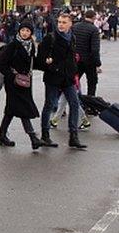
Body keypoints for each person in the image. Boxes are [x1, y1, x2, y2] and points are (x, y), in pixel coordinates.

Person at [36, 13, 86, 150]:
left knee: (74, 104)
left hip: (68, 78)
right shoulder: (50, 38)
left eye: (64, 22)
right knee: (50, 105)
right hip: (53, 77)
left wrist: (74, 71)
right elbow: (40, 59)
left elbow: (72, 57)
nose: (61, 25)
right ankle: (45, 136)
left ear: (70, 24)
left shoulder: (72, 37)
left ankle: (73, 136)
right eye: (59, 22)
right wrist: (50, 65)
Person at [0, 22, 45, 149]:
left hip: (25, 82)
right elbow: (1, 64)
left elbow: (33, 62)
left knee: (11, 110)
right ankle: (33, 138)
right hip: (13, 83)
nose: (25, 33)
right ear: (19, 31)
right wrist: (11, 76)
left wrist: (47, 64)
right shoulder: (13, 45)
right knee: (23, 108)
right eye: (23, 30)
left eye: (28, 31)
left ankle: (1, 136)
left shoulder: (31, 46)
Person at [72, 10, 102, 98]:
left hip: (76, 60)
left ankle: (65, 103)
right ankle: (90, 103)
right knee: (92, 83)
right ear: (93, 17)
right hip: (89, 61)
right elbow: (95, 49)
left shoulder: (75, 27)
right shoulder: (94, 29)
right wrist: (97, 63)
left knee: (72, 82)